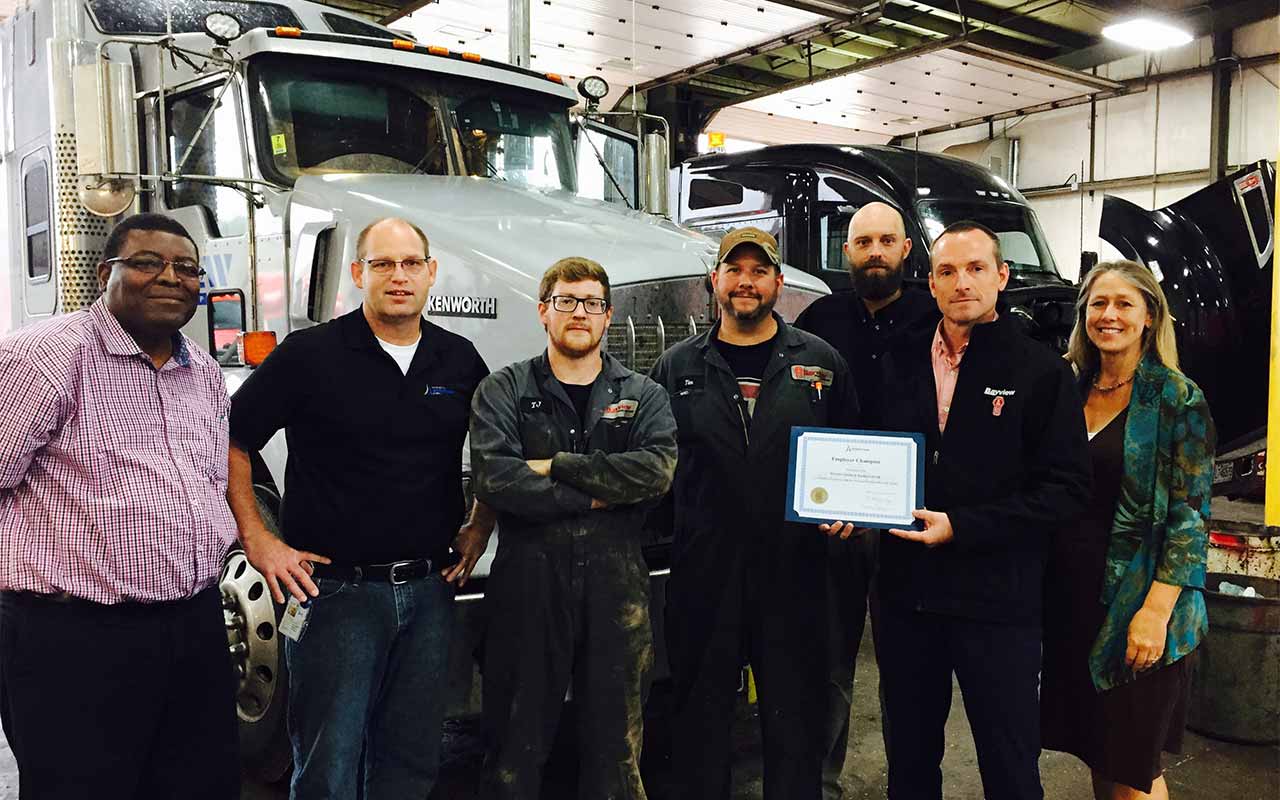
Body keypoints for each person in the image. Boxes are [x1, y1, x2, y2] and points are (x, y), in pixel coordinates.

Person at [227, 217, 493, 799]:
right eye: (382, 264)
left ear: (431, 273)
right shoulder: (310, 354)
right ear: (357, 273)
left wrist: (480, 524)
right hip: (334, 598)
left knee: (410, 763)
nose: (399, 277)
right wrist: (258, 538)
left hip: (429, 593)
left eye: (410, 264)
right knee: (328, 766)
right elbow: (233, 437)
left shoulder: (459, 359)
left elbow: (499, 445)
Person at [0, 213, 239, 798]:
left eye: (187, 268)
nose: (170, 278)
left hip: (193, 624)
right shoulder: (46, 358)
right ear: (105, 273)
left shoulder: (202, 370)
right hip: (73, 637)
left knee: (198, 784)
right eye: (148, 263)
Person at [852, 220, 1091, 800]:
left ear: (1002, 276)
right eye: (947, 271)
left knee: (1009, 767)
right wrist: (852, 507)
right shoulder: (899, 360)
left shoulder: (1042, 372)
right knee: (909, 764)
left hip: (998, 604)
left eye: (976, 268)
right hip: (907, 598)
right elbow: (874, 457)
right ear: (929, 284)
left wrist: (963, 527)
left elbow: (1066, 490)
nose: (962, 282)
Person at [650, 227, 859, 800]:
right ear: (714, 280)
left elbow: (854, 454)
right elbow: (653, 465)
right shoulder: (676, 367)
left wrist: (852, 514)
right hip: (703, 573)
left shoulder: (821, 363)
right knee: (700, 721)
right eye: (734, 270)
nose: (746, 282)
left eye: (759, 270)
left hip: (796, 575)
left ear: (778, 282)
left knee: (795, 725)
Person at [469, 257, 677, 799]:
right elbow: (496, 479)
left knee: (617, 754)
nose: (578, 313)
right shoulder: (503, 390)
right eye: (566, 301)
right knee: (513, 750)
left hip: (618, 591)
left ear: (608, 317)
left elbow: (655, 473)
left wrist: (556, 466)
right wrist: (602, 490)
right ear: (544, 312)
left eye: (591, 304)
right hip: (527, 589)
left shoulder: (644, 395)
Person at [1042, 261, 1213, 800]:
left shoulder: (1175, 398)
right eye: (1098, 303)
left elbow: (1191, 517)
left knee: (1135, 769)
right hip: (1073, 600)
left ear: (1149, 317)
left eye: (1123, 304)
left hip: (1139, 605)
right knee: (1100, 752)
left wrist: (1155, 613)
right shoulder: (1067, 389)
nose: (1108, 314)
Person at [795, 201, 938, 798]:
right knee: (829, 658)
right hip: (839, 519)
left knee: (912, 669)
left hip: (918, 520)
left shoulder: (939, 318)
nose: (874, 251)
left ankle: (913, 784)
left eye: (886, 240)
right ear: (846, 252)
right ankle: (820, 782)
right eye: (862, 242)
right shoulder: (819, 320)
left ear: (907, 250)